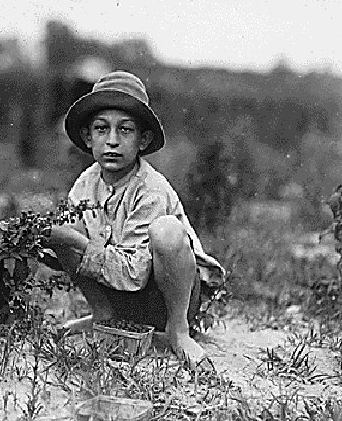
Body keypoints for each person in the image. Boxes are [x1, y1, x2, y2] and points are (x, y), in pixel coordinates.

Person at [43, 70, 225, 369]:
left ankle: (178, 332)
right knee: (65, 227)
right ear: (88, 137)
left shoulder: (150, 188)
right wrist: (52, 243)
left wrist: (73, 241)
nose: (112, 141)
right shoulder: (86, 183)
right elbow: (75, 251)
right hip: (118, 299)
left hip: (164, 299)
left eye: (125, 130)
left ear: (144, 139)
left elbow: (134, 275)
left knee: (166, 231)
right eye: (101, 129)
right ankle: (103, 315)